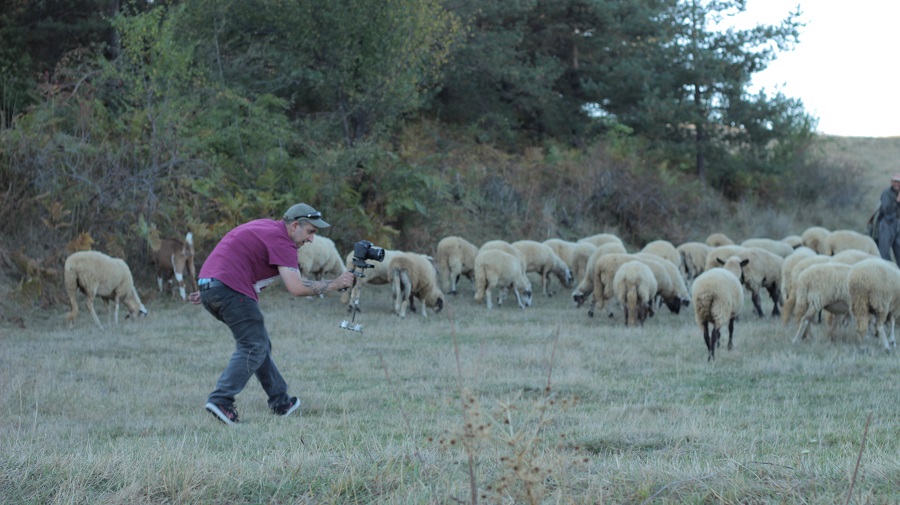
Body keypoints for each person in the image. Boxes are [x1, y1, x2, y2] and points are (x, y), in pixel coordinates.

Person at [190, 203, 355, 425]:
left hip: (211, 285)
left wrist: (211, 286)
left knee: (259, 344)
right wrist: (335, 284)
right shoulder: (283, 241)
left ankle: (280, 401)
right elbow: (296, 288)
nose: (311, 239)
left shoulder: (266, 227)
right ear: (295, 225)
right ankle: (221, 400)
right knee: (254, 346)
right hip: (230, 289)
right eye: (310, 232)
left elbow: (231, 247)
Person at [877, 174, 900, 267]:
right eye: (895, 181)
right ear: (891, 182)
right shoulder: (886, 193)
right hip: (886, 224)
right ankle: (886, 270)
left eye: (898, 182)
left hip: (898, 225)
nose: (897, 184)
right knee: (884, 251)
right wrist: (897, 201)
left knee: (899, 250)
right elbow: (887, 209)